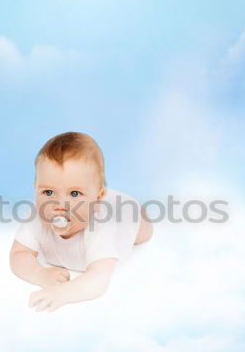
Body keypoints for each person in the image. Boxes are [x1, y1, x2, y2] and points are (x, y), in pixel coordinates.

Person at [10, 131, 153, 312]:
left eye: (74, 194)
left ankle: (113, 203)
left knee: (144, 234)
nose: (59, 205)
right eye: (48, 192)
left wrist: (62, 293)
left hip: (127, 212)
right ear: (35, 189)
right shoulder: (37, 215)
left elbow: (98, 278)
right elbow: (18, 254)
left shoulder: (100, 227)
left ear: (97, 198)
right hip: (98, 198)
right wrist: (40, 274)